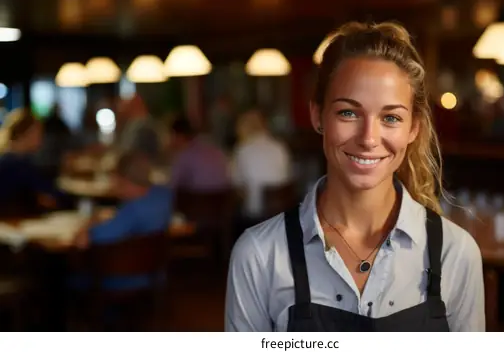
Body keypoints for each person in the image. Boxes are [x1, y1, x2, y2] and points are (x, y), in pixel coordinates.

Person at [225, 21, 485, 332]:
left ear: (413, 128)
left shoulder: (456, 253)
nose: (368, 138)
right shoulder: (257, 255)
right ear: (317, 114)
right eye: (348, 112)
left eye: (390, 118)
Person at [72, 151, 172, 290]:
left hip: (123, 278)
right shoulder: (163, 195)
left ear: (123, 180)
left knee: (70, 278)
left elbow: (82, 241)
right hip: (155, 274)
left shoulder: (132, 210)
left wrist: (90, 221)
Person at [0, 108, 66, 213]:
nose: (41, 138)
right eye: (38, 133)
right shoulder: (12, 165)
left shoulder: (21, 160)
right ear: (24, 133)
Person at [231, 109, 292, 220]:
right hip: (281, 212)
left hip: (254, 215)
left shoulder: (242, 150)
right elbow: (287, 176)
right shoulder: (280, 147)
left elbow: (235, 183)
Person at [169, 117, 231, 192]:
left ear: (178, 136)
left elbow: (175, 184)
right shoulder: (215, 149)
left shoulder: (185, 155)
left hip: (197, 200)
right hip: (222, 200)